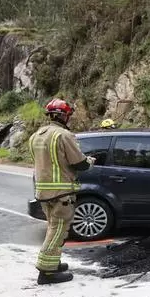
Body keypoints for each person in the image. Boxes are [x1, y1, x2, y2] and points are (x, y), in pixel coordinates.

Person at [29, 99, 95, 285]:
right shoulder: (63, 135)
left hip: (43, 193)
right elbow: (79, 163)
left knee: (53, 228)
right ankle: (47, 272)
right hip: (61, 193)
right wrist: (89, 161)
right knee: (57, 232)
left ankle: (53, 263)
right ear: (64, 115)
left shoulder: (36, 135)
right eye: (68, 115)